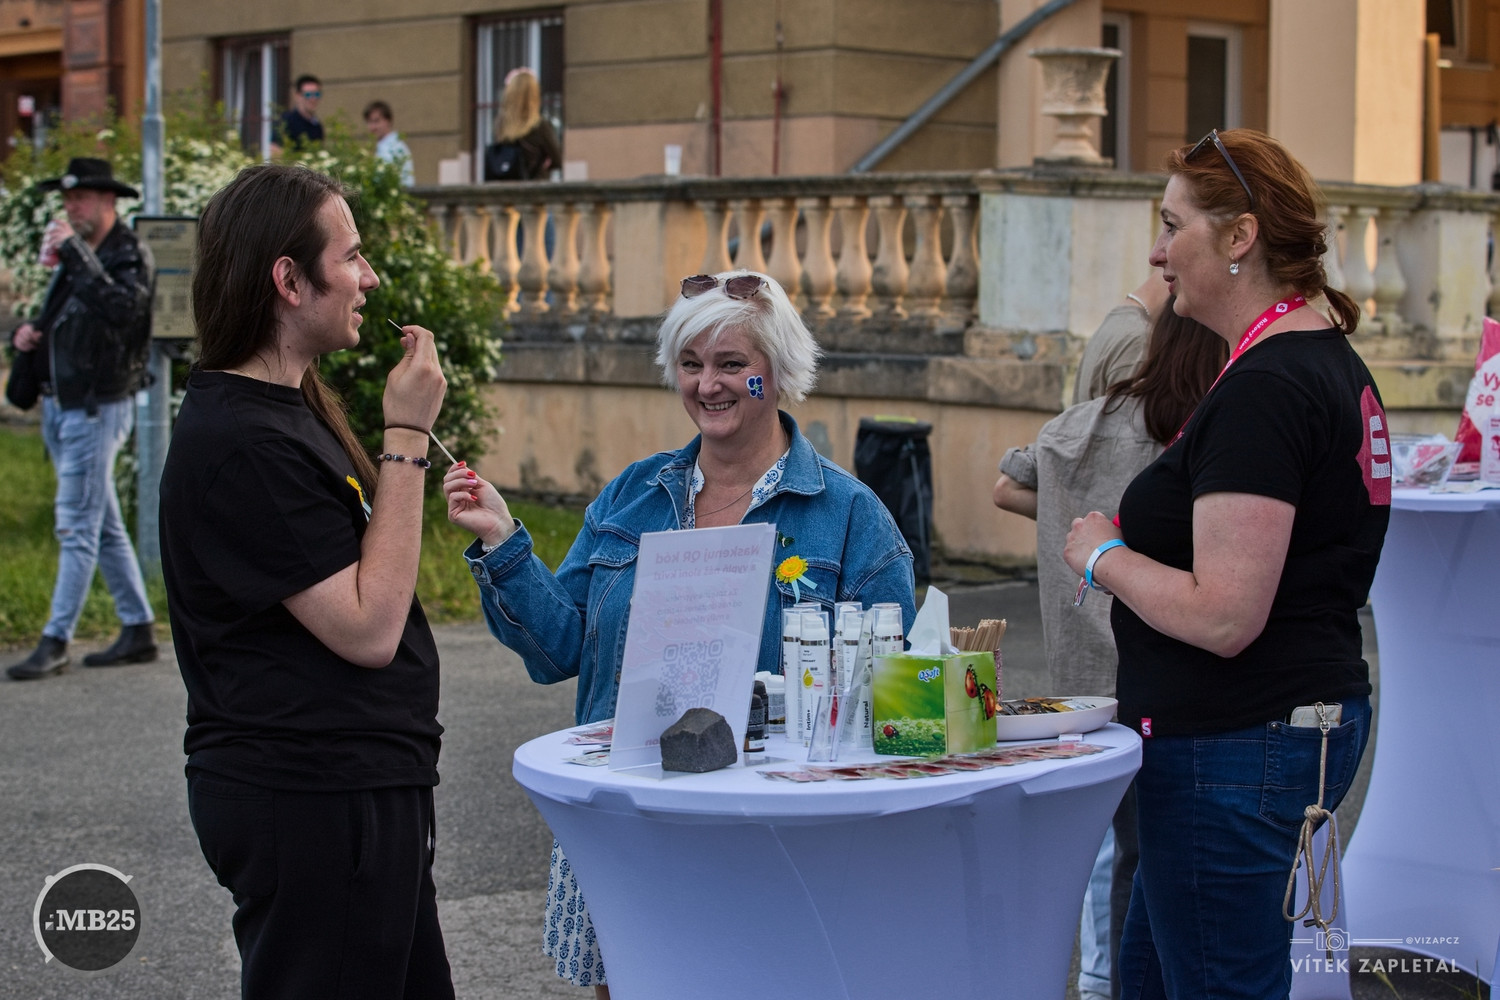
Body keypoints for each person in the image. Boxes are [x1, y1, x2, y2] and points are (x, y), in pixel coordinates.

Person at [444, 269, 916, 996]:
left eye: (732, 364)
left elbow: (895, 702)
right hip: (629, 818)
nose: (708, 384)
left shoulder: (851, 516)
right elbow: (558, 647)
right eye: (691, 364)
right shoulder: (632, 496)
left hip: (771, 834)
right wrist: (503, 541)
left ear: (776, 372)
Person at [1063, 128, 1391, 999]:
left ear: (1240, 236)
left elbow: (1224, 614)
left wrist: (1103, 556)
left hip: (1236, 744)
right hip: (1251, 737)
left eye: (1173, 226)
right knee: (1151, 976)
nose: (1156, 253)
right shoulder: (1308, 364)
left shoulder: (1270, 386)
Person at [159, 164, 455, 1000]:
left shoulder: (286, 409)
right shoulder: (244, 443)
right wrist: (407, 436)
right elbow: (368, 628)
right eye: (350, 257)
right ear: (289, 281)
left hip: (356, 786)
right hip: (312, 796)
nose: (369, 278)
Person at [993, 290, 1225, 1000]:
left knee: (1124, 852)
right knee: (1174, 860)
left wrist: (1073, 520)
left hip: (1087, 674)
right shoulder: (1215, 425)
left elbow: (1006, 486)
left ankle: (1112, 982)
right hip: (1178, 667)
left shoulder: (1083, 425)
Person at [5, 157, 157, 681]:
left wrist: (72, 251)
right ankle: (138, 627)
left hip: (96, 407)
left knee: (75, 524)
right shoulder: (81, 255)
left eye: (81, 198)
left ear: (108, 200)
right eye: (67, 199)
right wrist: (28, 334)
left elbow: (124, 311)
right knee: (102, 522)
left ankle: (56, 639)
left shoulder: (124, 253)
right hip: (64, 404)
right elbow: (63, 320)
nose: (71, 207)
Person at [483, 67, 561, 181]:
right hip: (535, 187)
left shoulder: (501, 125)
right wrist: (544, 166)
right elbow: (557, 160)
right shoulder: (540, 126)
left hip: (507, 186)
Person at [365, 100, 414, 187]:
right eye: (369, 122)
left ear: (388, 121)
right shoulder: (383, 145)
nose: (373, 127)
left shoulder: (395, 147)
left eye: (376, 121)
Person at [273, 74, 324, 153]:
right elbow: (274, 149)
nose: (313, 99)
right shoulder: (286, 121)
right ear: (298, 96)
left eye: (316, 94)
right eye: (308, 94)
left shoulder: (316, 125)